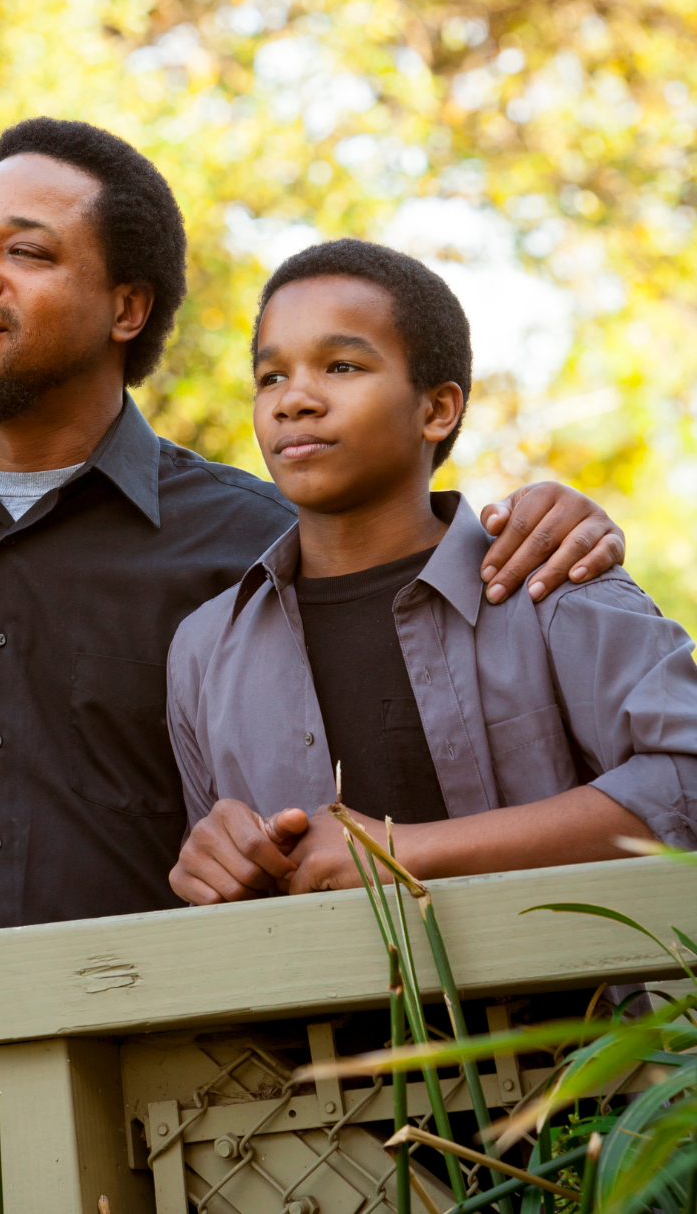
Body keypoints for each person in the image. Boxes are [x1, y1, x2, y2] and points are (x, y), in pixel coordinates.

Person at [0, 123, 626, 948]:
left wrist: (543, 520)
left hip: (203, 1136)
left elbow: (416, 760)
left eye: (26, 251)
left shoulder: (264, 545)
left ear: (126, 308)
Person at [168, 239, 697, 907]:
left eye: (340, 365)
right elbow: (219, 903)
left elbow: (688, 780)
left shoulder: (551, 581)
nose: (293, 399)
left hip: (573, 1011)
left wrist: (402, 852)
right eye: (271, 377)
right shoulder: (204, 650)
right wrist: (211, 866)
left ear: (436, 410)